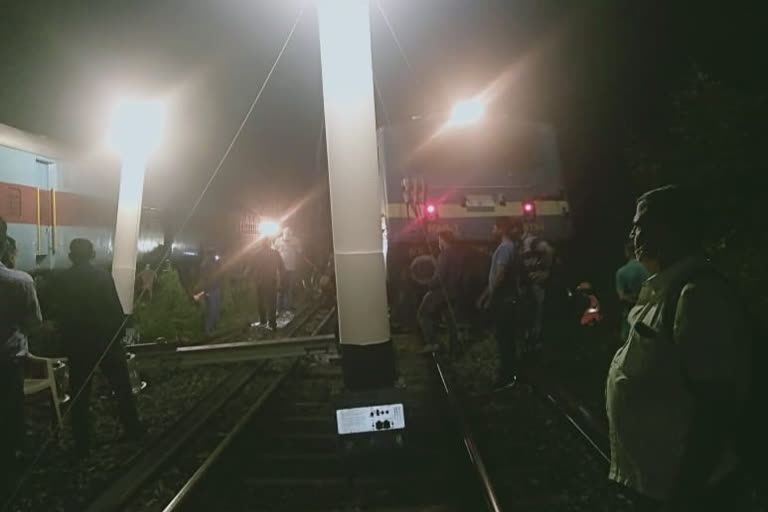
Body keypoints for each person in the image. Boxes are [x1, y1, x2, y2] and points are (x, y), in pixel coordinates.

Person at [606, 185, 751, 511]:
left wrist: (685, 494)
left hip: (687, 493)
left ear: (668, 229)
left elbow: (717, 405)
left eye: (640, 224)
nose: (632, 233)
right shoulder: (664, 290)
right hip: (658, 486)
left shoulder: (697, 296)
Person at [56, 238, 142, 458]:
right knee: (122, 388)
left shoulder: (62, 280)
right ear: (92, 254)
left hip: (78, 345)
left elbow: (57, 313)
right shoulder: (103, 277)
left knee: (80, 395)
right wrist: (119, 334)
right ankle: (133, 431)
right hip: (106, 342)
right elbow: (114, 308)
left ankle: (83, 444)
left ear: (71, 256)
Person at [0, 219, 42, 493]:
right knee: (10, 409)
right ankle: (9, 461)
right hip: (8, 357)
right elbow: (35, 323)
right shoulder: (20, 281)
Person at [477, 217, 523, 389]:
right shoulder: (511, 248)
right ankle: (510, 374)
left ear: (501, 229)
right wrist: (485, 294)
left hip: (504, 301)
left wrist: (489, 297)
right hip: (508, 299)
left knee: (504, 339)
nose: (492, 231)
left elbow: (500, 275)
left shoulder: (504, 249)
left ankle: (506, 376)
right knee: (506, 339)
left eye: (494, 228)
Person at [417, 230, 463, 352]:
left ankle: (432, 342)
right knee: (450, 319)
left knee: (423, 313)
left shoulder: (445, 255)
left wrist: (428, 285)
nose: (438, 242)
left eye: (439, 240)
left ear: (443, 240)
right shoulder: (457, 254)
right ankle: (455, 346)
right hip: (453, 292)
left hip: (441, 292)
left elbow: (439, 277)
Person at [518, 226, 555, 352]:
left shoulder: (530, 241)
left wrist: (546, 272)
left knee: (536, 316)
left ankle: (537, 344)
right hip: (529, 286)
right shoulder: (520, 244)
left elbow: (548, 250)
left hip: (536, 286)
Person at [615, 240, 650, 341]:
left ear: (627, 252)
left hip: (631, 316)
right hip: (650, 313)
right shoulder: (648, 268)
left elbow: (622, 297)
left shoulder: (622, 272)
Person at [253, 238, 286, 331]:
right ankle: (272, 323)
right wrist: (281, 281)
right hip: (271, 281)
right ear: (269, 243)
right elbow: (282, 268)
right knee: (272, 303)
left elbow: (251, 268)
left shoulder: (256, 254)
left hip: (260, 282)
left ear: (261, 244)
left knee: (261, 302)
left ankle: (263, 320)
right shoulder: (275, 253)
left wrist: (254, 278)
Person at [274, 227, 302, 313]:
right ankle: (279, 308)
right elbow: (273, 252)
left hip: (291, 268)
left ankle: (288, 307)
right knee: (280, 288)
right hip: (280, 269)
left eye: (289, 237)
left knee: (289, 288)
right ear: (283, 234)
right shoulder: (277, 241)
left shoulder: (296, 241)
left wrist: (295, 246)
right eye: (286, 237)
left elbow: (300, 251)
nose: (287, 240)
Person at [197, 251, 222, 337]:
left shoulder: (214, 263)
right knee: (211, 309)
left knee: (216, 309)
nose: (213, 256)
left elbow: (219, 273)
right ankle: (208, 330)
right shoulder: (205, 264)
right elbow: (205, 277)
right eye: (211, 254)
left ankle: (214, 327)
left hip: (215, 288)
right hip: (210, 290)